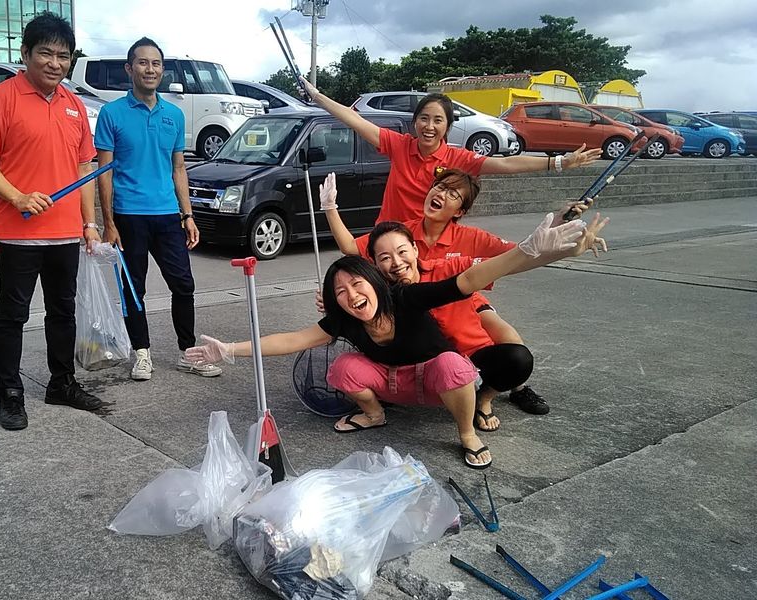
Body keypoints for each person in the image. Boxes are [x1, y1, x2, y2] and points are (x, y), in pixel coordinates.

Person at [187, 213, 607, 469]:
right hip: (393, 388)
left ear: (374, 281)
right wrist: (230, 349)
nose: (352, 295)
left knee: (452, 364)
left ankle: (466, 432)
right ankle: (374, 415)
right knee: (343, 367)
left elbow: (470, 279)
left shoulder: (407, 296)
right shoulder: (345, 319)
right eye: (340, 292)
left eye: (358, 285)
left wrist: (530, 250)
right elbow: (293, 339)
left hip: (438, 384)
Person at [323, 168, 599, 416]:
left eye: (453, 194)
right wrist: (338, 298)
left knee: (511, 343)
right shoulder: (400, 234)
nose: (442, 194)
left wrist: (560, 240)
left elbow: (514, 257)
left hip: (463, 294)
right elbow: (353, 252)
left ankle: (496, 394)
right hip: (420, 318)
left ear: (460, 210)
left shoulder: (467, 243)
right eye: (440, 187)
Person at [0, 12, 102, 431]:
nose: (55, 63)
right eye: (46, 53)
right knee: (13, 315)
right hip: (19, 233)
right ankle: (10, 392)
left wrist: (89, 223)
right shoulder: (1, 98)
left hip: (65, 233)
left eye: (63, 56)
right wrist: (17, 196)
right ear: (25, 53)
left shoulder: (74, 105)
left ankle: (62, 382)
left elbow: (84, 169)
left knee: (63, 312)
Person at [300, 78, 603, 224]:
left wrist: (559, 163)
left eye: (437, 120)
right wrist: (317, 97)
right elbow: (354, 119)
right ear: (415, 121)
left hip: (430, 242)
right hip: (389, 240)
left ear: (447, 126)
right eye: (423, 119)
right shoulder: (399, 145)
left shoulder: (457, 158)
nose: (429, 126)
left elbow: (506, 164)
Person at [94, 37, 220, 381]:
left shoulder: (174, 115)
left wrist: (188, 214)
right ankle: (142, 353)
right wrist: (108, 222)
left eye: (156, 64)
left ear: (162, 70)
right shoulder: (112, 113)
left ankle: (188, 352)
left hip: (167, 215)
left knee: (183, 284)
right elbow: (104, 172)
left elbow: (178, 168)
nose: (149, 69)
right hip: (129, 215)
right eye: (142, 62)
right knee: (134, 289)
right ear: (129, 68)